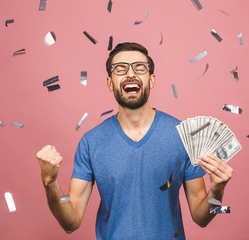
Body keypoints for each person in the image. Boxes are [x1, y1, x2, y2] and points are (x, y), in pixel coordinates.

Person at [36, 42, 233, 240]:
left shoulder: (184, 136)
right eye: (120, 69)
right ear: (110, 83)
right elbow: (71, 223)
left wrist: (217, 191)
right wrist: (50, 183)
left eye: (140, 67)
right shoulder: (90, 142)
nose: (130, 74)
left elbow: (201, 218)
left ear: (152, 79)